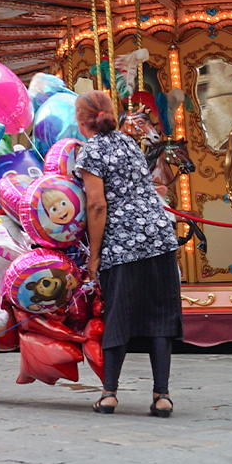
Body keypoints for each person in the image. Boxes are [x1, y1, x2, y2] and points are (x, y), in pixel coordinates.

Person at [75, 90, 182, 417]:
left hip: (123, 242)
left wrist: (94, 255)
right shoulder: (128, 143)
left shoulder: (90, 151)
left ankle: (109, 394)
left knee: (117, 315)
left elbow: (96, 205)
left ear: (81, 123)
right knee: (161, 317)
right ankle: (162, 396)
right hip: (160, 237)